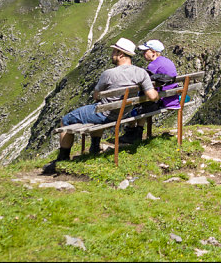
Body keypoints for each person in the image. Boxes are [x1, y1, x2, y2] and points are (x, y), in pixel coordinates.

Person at [43, 37, 158, 173]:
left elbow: (96, 96)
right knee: (97, 112)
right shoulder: (141, 73)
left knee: (66, 120)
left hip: (106, 114)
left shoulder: (108, 74)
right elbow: (152, 96)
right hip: (124, 114)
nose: (112, 55)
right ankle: (94, 147)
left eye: (114, 52)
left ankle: (62, 158)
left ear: (121, 54)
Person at [137, 40, 180, 110]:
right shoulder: (167, 60)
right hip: (173, 100)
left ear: (153, 52)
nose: (143, 53)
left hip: (163, 101)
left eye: (145, 51)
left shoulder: (153, 65)